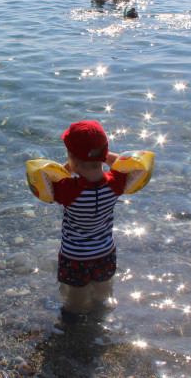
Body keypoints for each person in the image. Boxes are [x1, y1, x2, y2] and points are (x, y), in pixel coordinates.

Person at [50, 120, 127, 321]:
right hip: (105, 252)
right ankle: (100, 316)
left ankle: (73, 325)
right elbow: (124, 164)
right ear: (104, 154)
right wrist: (103, 155)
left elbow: (52, 178)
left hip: (75, 257)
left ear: (73, 162)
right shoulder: (116, 183)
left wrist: (71, 165)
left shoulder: (68, 190)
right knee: (103, 291)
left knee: (76, 298)